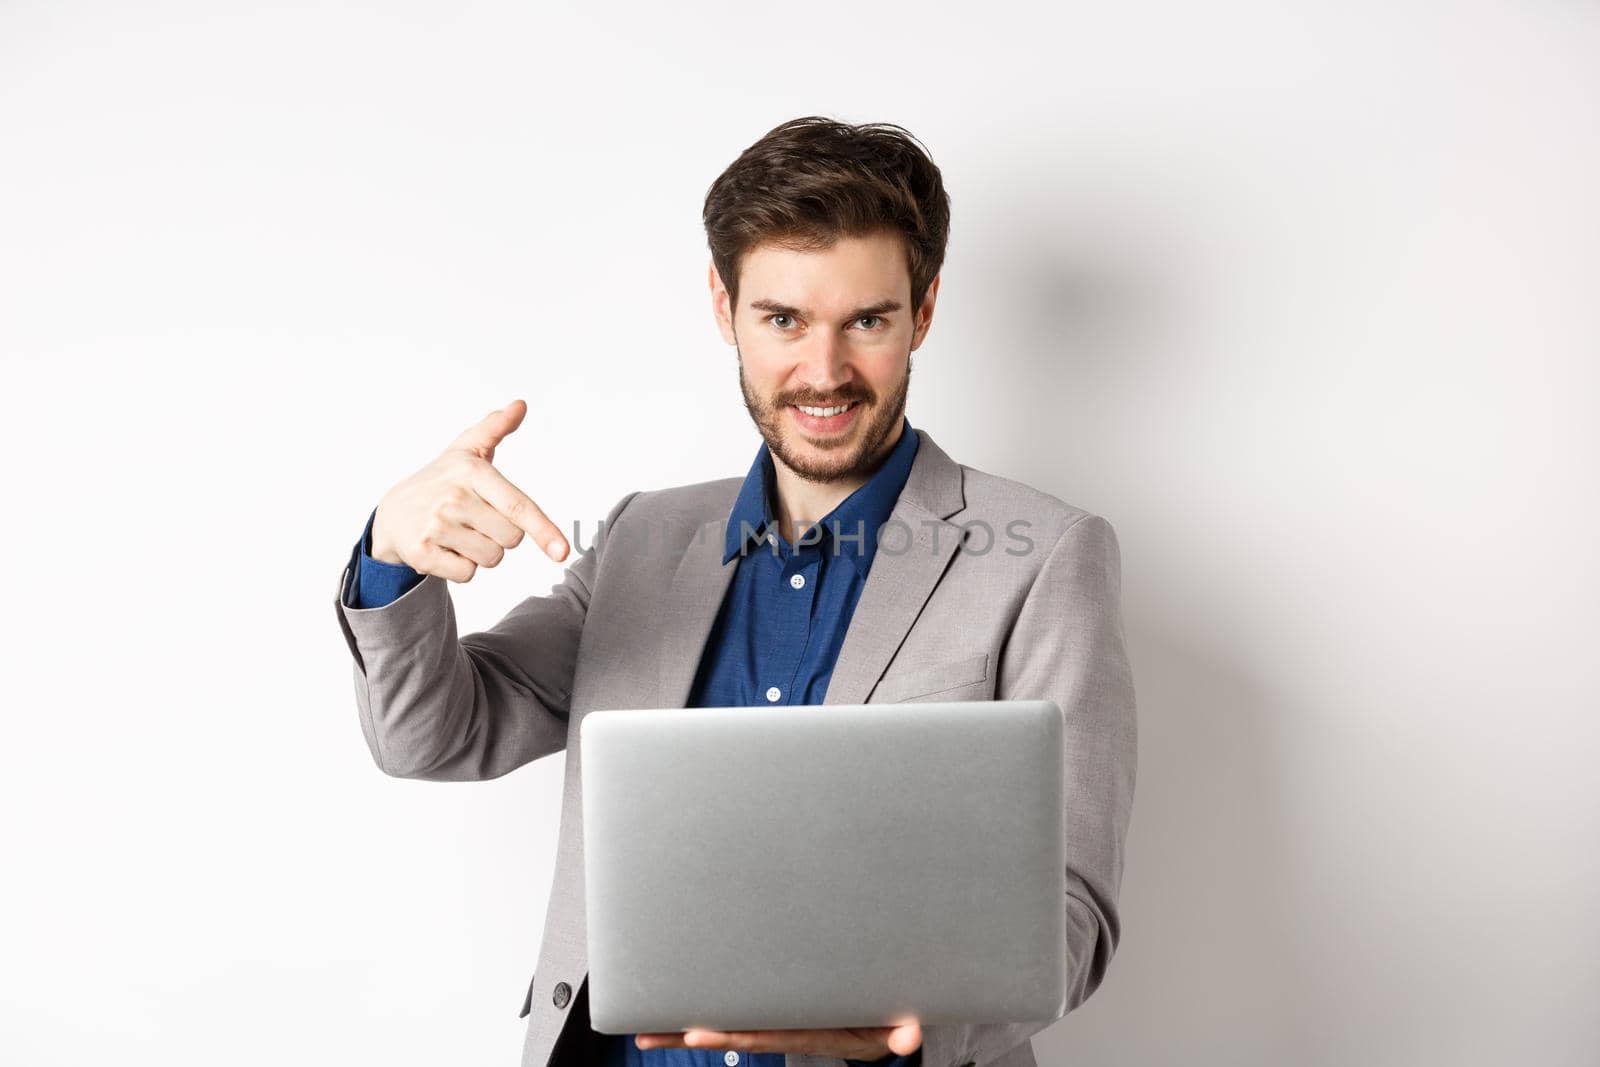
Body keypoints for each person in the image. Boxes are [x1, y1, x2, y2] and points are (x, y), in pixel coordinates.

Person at [332, 115, 1137, 1067]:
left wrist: (892, 1027)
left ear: (923, 311)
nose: (824, 372)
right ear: (725, 307)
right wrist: (395, 556)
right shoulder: (641, 540)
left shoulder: (1046, 555)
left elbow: (1070, 921)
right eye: (783, 319)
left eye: (867, 321)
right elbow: (434, 733)